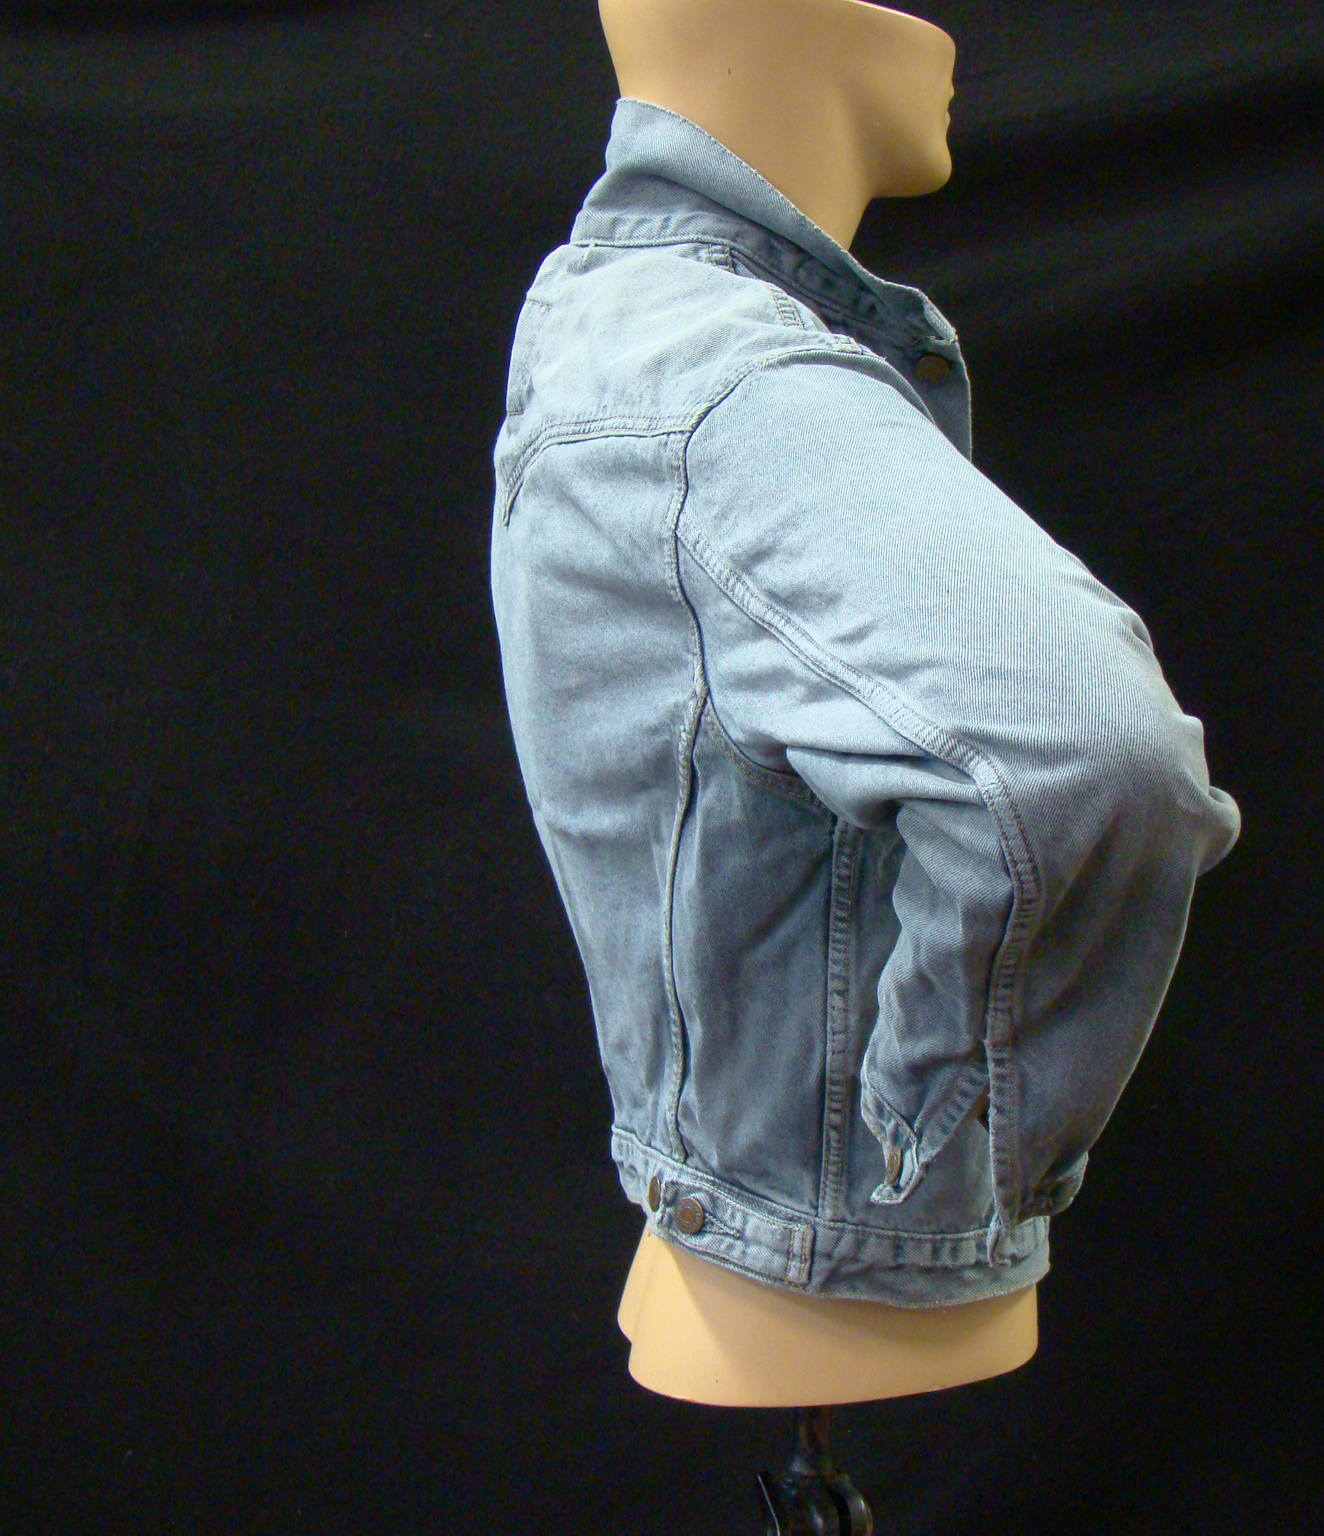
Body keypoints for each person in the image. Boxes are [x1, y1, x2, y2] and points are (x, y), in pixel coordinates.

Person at [490, 0, 1241, 1407]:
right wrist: (934, 1145)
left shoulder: (608, 323)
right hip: (824, 1290)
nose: (956, 38)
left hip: (738, 1260)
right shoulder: (725, 385)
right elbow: (1089, 762)